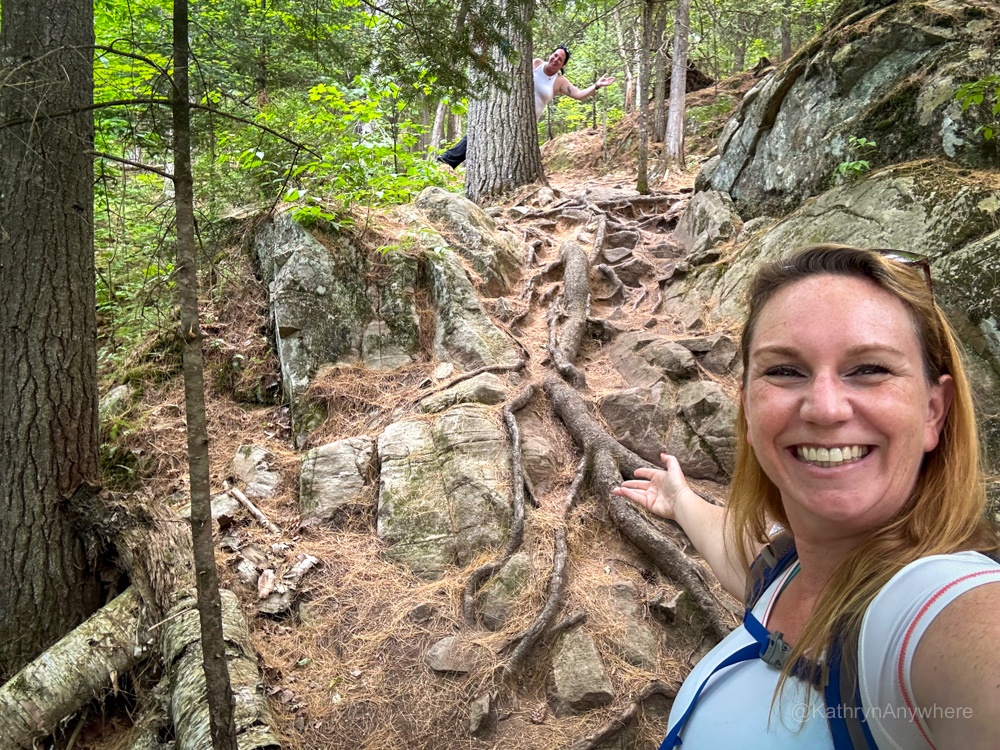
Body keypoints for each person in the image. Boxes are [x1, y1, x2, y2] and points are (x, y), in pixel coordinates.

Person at [612, 245, 1000, 749]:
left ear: (933, 411)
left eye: (869, 369)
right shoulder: (786, 571)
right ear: (749, 411)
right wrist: (678, 497)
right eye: (785, 371)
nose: (825, 408)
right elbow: (736, 547)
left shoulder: (938, 608)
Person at [437, 44, 614, 168]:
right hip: (509, 112)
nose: (555, 59)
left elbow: (579, 95)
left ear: (563, 65)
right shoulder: (536, 64)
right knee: (482, 133)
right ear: (550, 54)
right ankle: (447, 161)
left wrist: (597, 85)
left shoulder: (559, 81)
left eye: (560, 59)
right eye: (555, 55)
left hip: (527, 125)